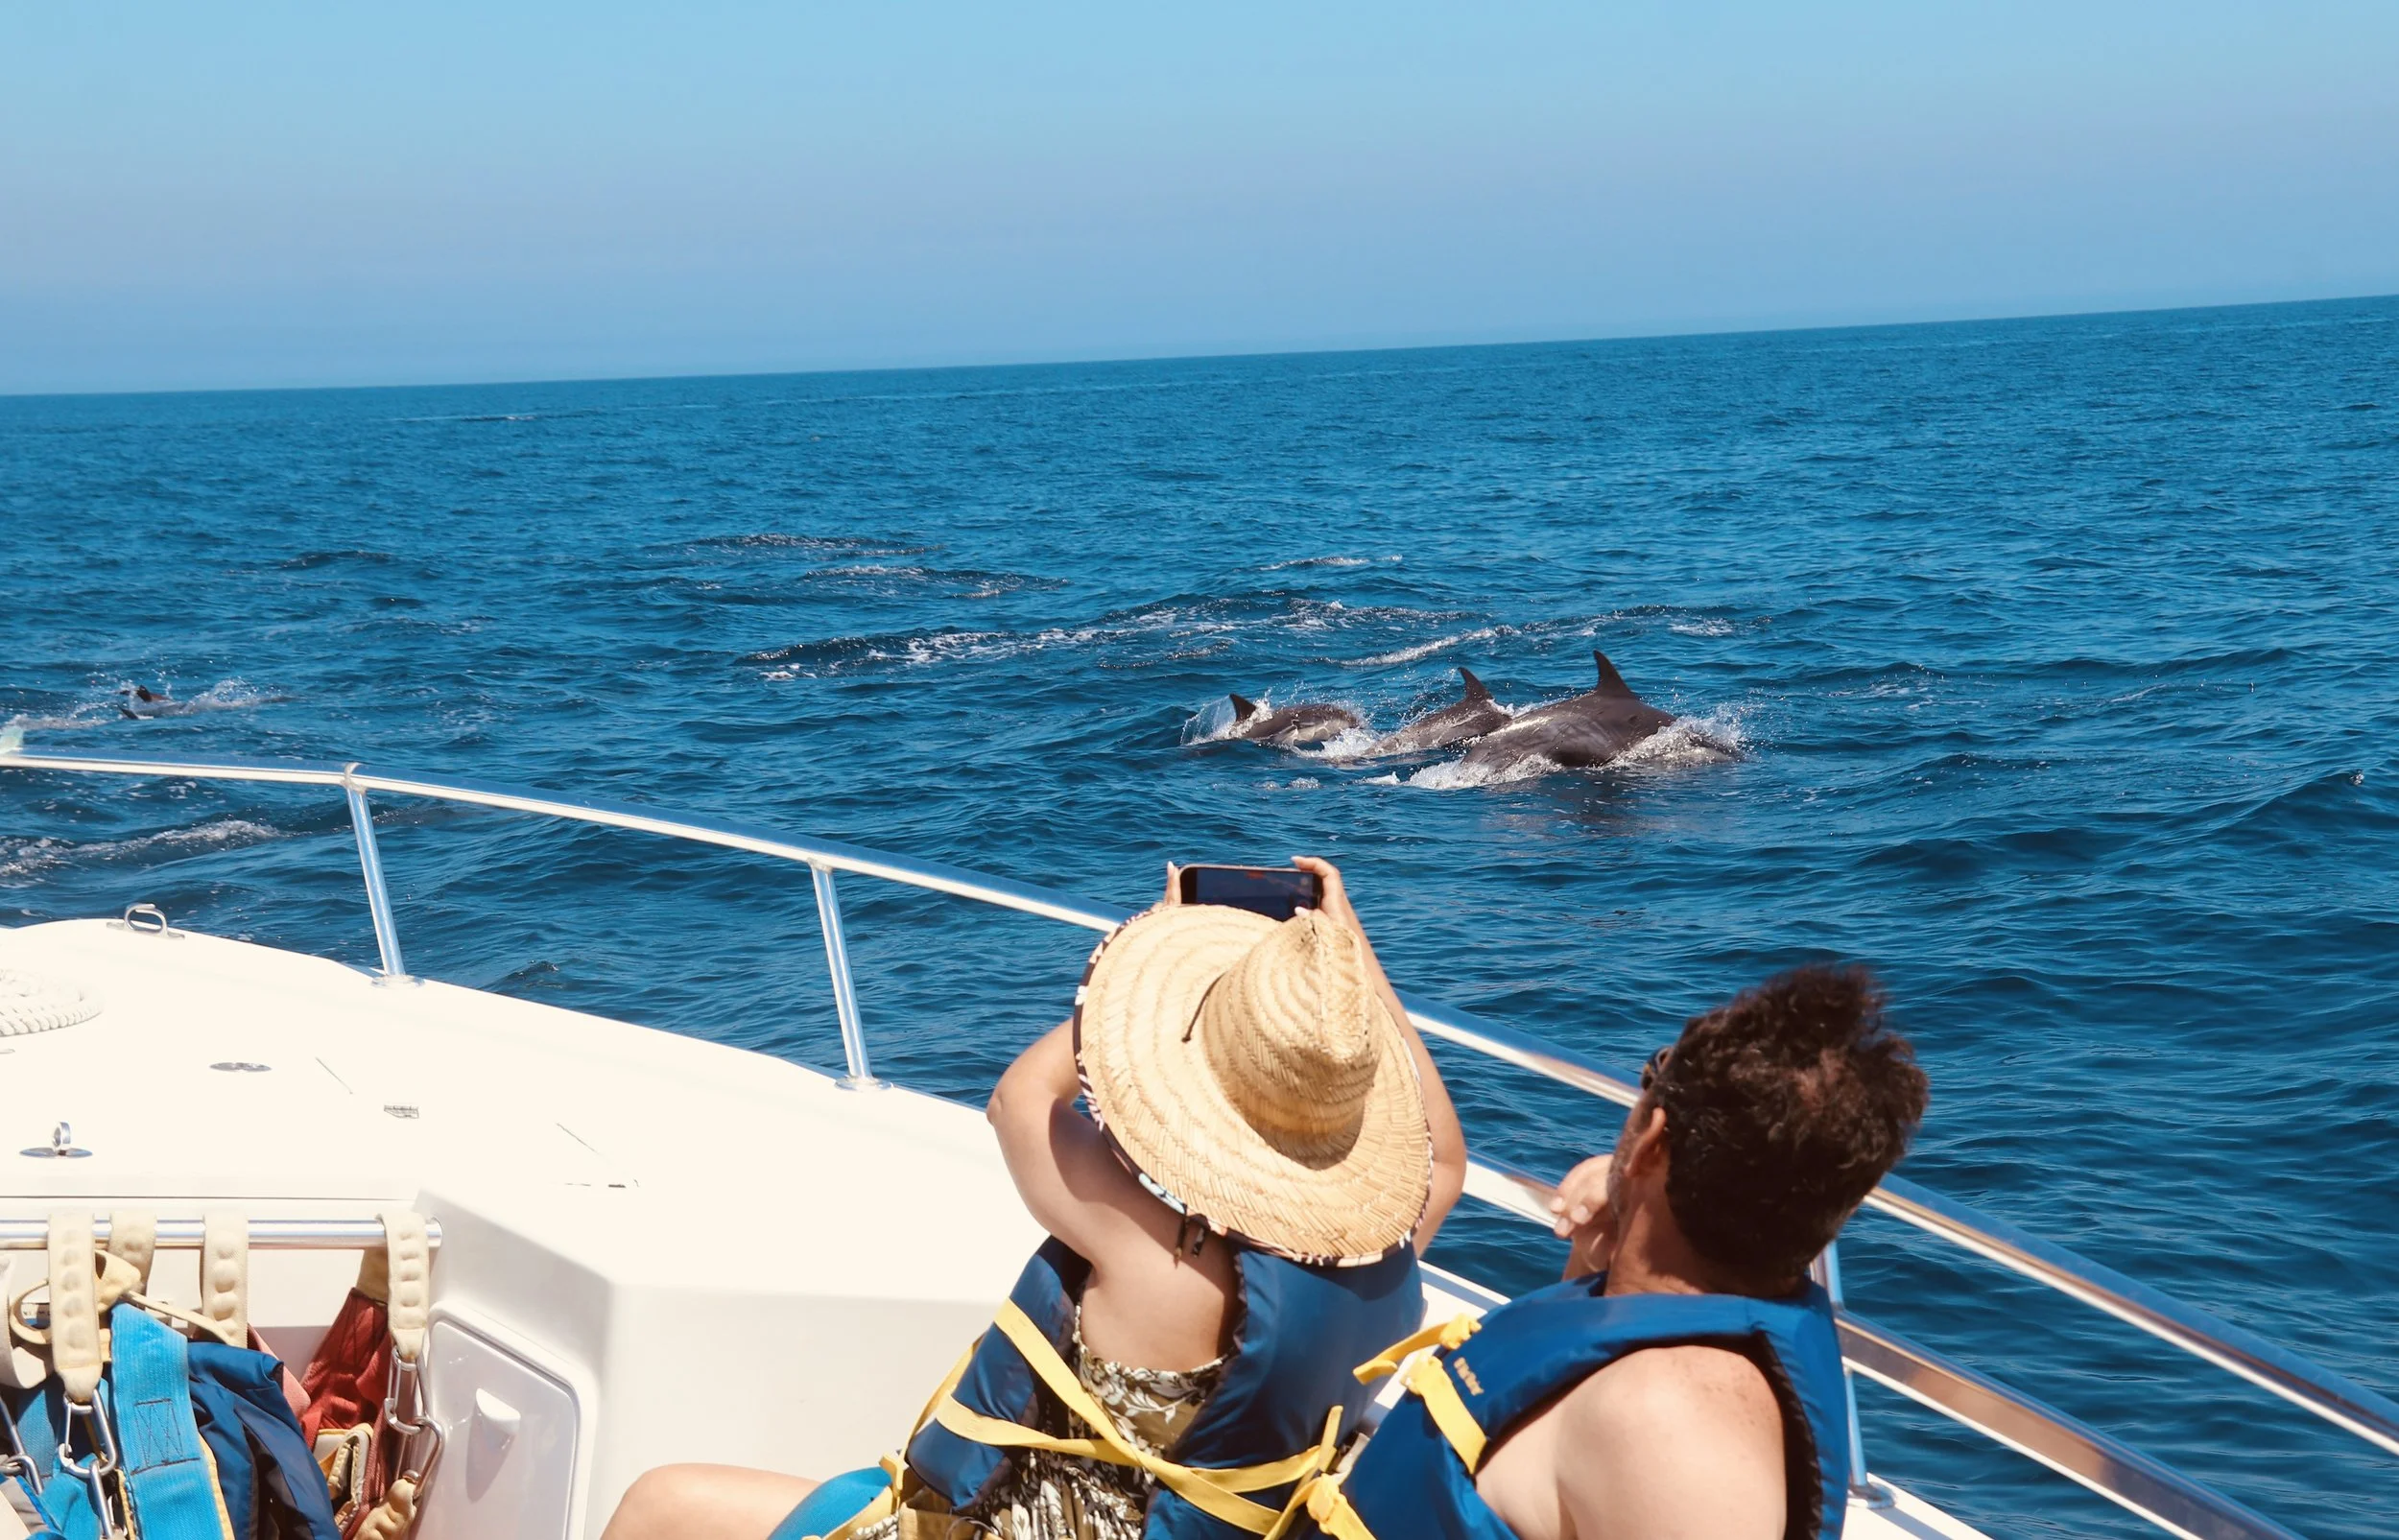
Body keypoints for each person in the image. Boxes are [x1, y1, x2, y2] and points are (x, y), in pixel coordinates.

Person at [605, 856, 1468, 1540]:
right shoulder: (1387, 1246)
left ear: (1196, 1064)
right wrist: (1348, 972)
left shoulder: (1153, 1249)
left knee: (664, 1504)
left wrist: (1163, 940)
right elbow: (1450, 1156)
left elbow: (1020, 1099)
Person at [1303, 963, 1927, 1540]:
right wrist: (1612, 1236)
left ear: (1654, 1138)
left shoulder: (1672, 1429)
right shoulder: (1655, 1312)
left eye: (1653, 1076)